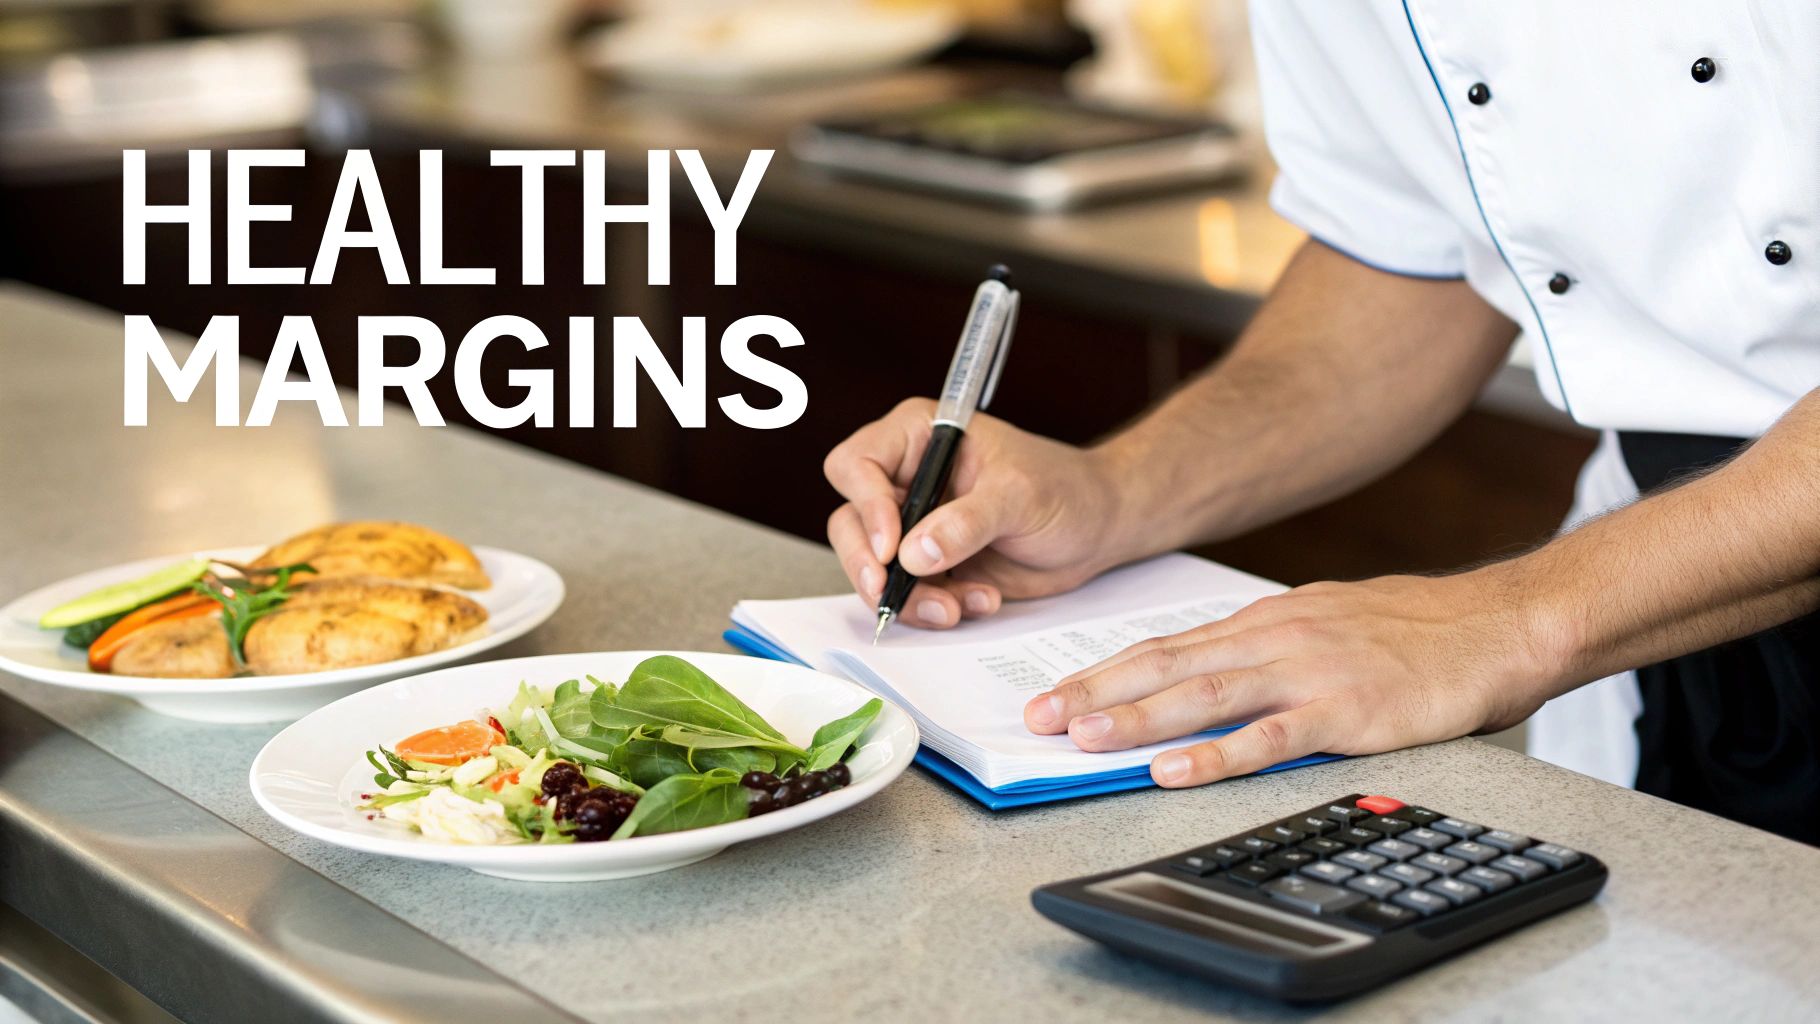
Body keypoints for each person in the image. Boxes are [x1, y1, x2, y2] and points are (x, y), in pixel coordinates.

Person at [821, 3, 1820, 844]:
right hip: (1670, 622)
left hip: (1634, 589)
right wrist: (1117, 488)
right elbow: (1406, 249)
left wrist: (1513, 617)